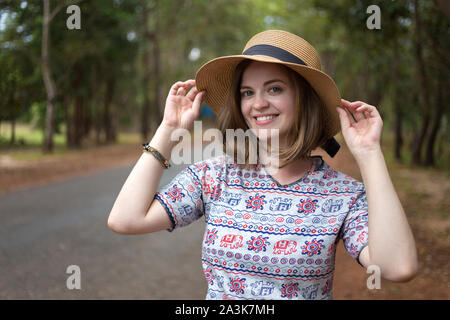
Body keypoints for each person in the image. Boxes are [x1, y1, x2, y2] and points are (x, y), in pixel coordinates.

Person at [107, 30, 418, 300]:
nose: (257, 104)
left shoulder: (343, 195)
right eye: (247, 92)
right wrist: (168, 130)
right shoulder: (214, 176)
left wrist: (369, 154)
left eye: (274, 89)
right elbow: (126, 219)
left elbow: (397, 267)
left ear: (304, 99)